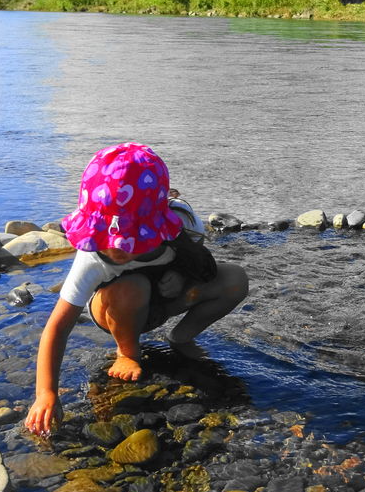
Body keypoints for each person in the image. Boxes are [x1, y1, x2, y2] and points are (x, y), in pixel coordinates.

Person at [24, 142, 249, 435]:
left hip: (163, 303)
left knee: (235, 279)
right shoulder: (92, 257)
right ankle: (127, 352)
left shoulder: (183, 223)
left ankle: (181, 337)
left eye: (130, 237)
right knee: (132, 286)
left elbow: (203, 265)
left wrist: (181, 276)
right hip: (115, 311)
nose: (117, 248)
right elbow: (57, 327)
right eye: (108, 236)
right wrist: (46, 393)